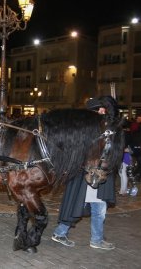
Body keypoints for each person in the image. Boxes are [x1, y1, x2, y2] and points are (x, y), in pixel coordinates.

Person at [52, 96, 117, 250]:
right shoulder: (88, 130)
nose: (103, 111)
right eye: (100, 109)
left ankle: (90, 237)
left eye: (104, 109)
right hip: (87, 175)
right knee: (90, 207)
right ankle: (91, 238)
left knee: (93, 207)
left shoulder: (103, 129)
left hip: (98, 174)